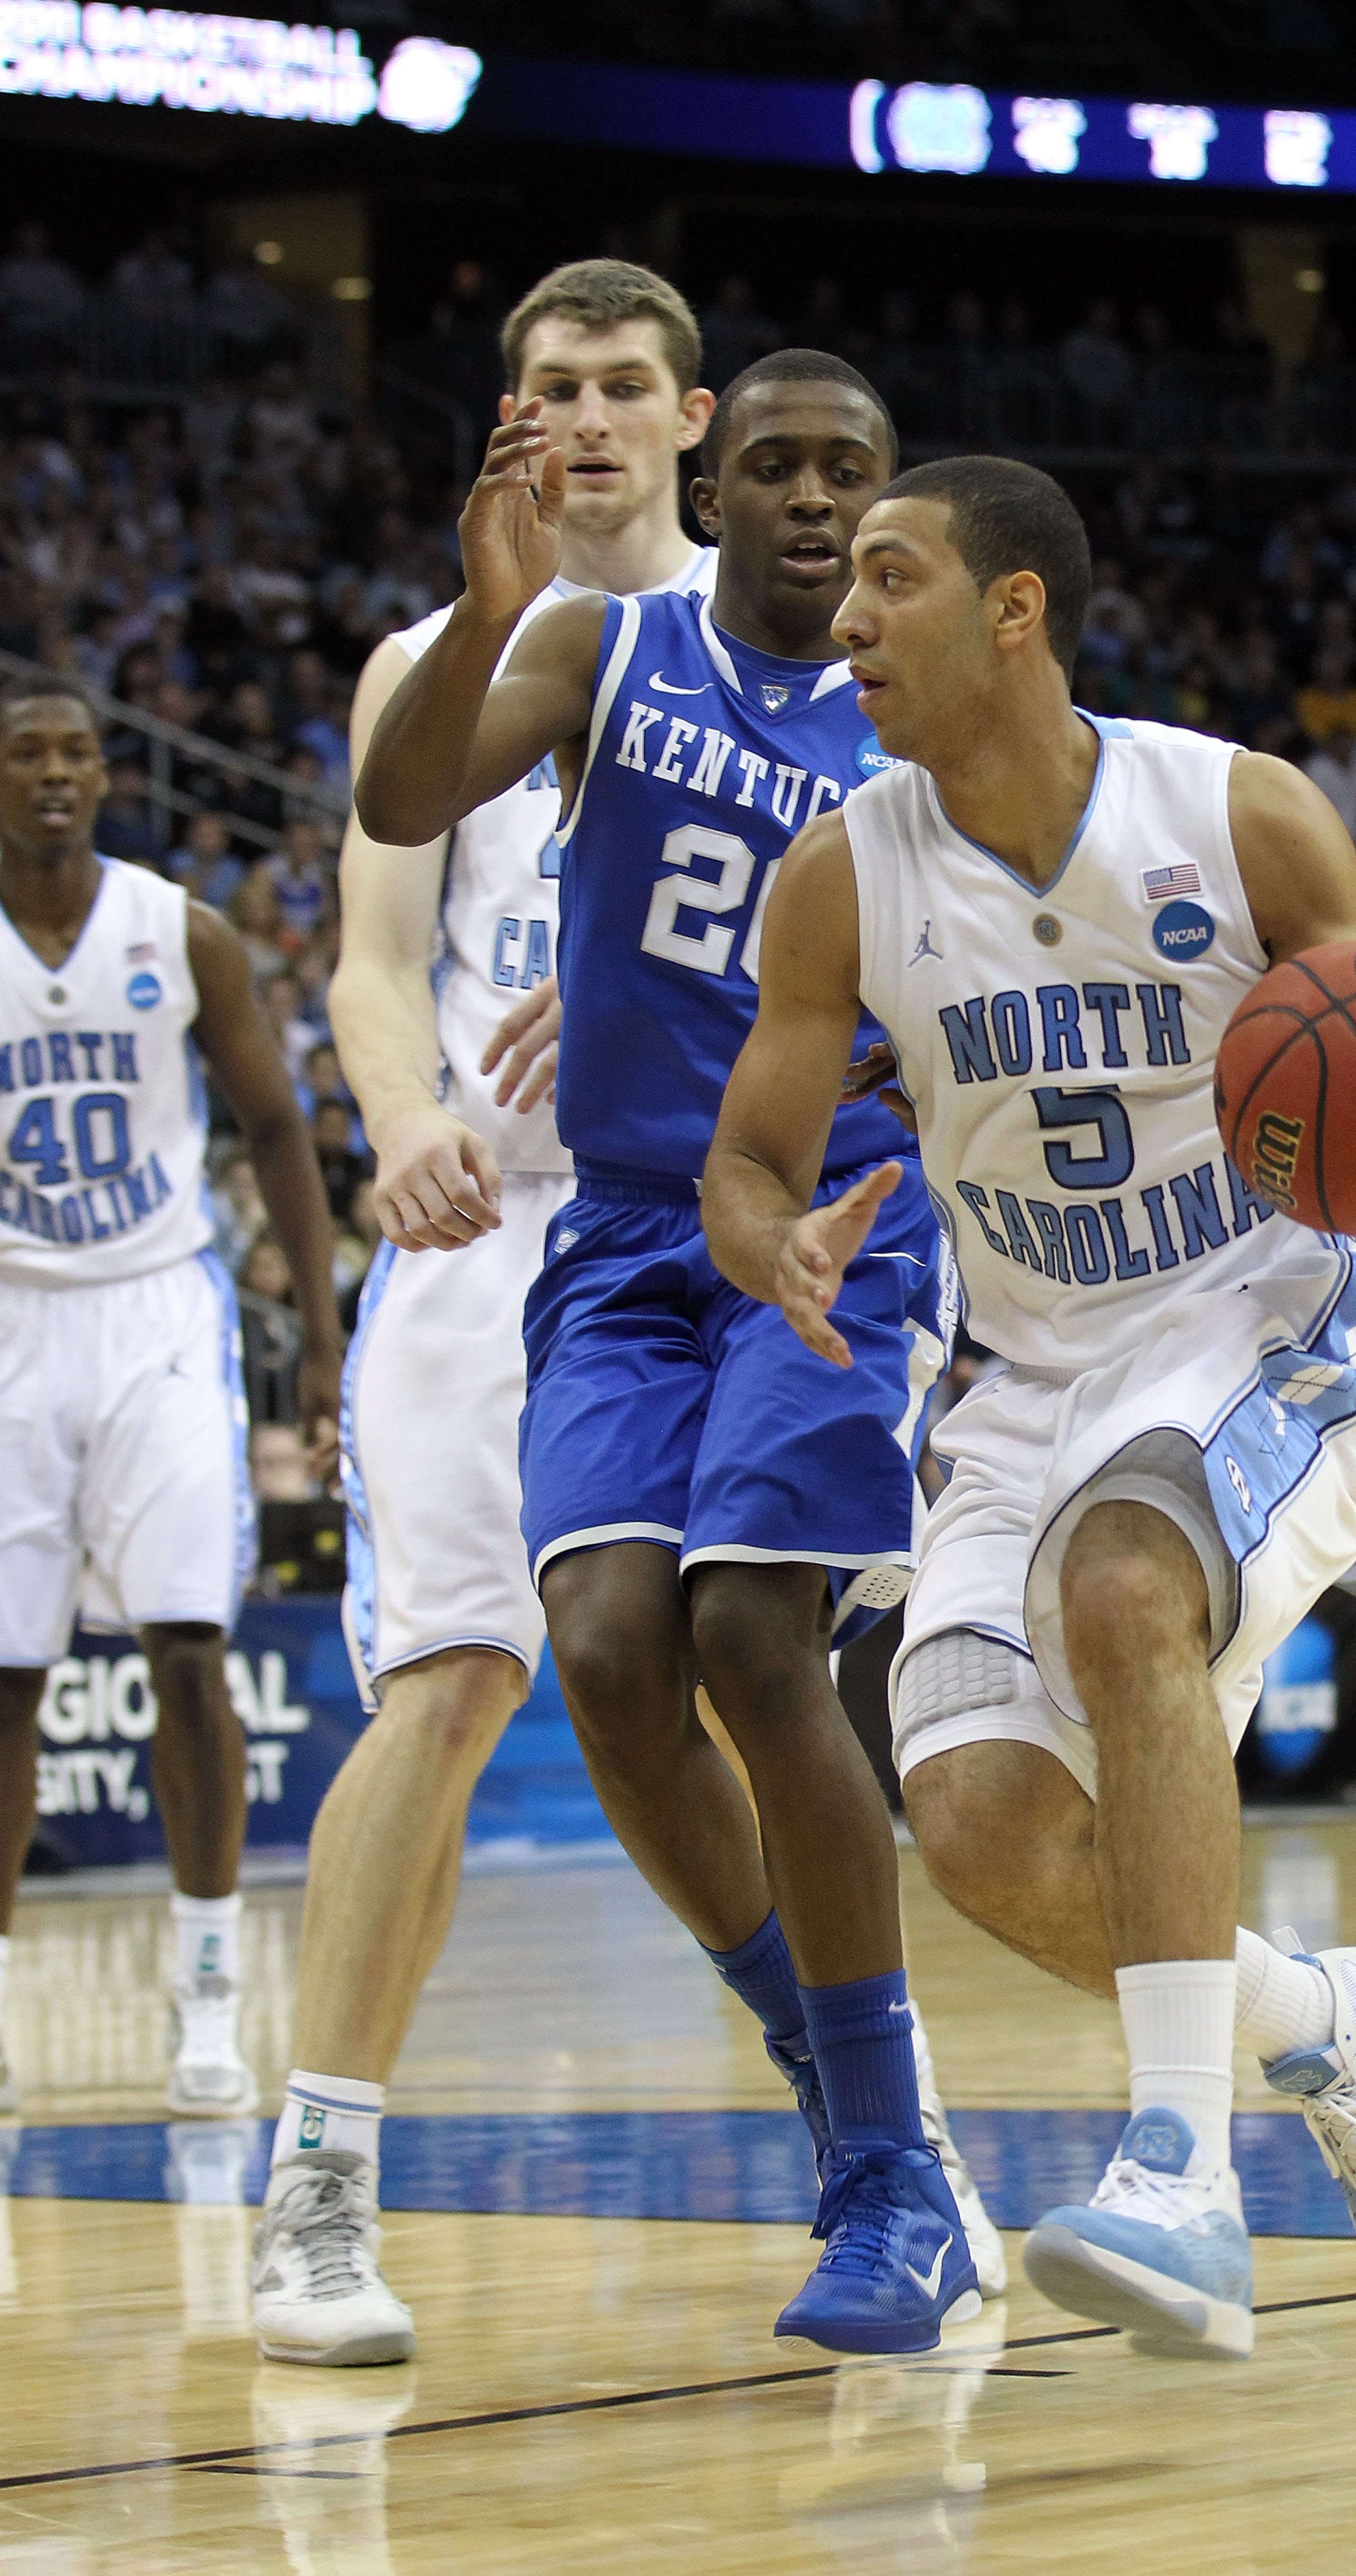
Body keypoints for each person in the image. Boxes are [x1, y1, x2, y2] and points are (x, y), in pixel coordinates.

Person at [700, 454, 1356, 2359]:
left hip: (1258, 1312)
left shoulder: (1234, 810)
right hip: (1021, 1372)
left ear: (1011, 609)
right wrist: (773, 1242)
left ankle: (1178, 2177)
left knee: (1124, 1588)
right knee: (981, 1833)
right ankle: (1319, 2025)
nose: (843, 618)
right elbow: (744, 1160)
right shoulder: (839, 874)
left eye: (888, 577)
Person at [257, 294, 995, 2366]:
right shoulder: (479, 651)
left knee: (753, 1642)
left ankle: (880, 2124)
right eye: (546, 390)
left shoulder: (842, 652)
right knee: (468, 1668)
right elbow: (375, 947)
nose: (580, 422)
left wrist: (758, 997)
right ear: (514, 421)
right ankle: (317, 2191)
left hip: (748, 1195)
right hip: (498, 1207)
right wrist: (402, 1121)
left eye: (617, 389)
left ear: (690, 422)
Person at [0, 679, 339, 2118]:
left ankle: (208, 2002)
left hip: (159, 1316)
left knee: (189, 1645)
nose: (58, 773)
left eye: (79, 752)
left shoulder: (176, 928)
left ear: (107, 775)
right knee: (5, 1683)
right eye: (30, 754)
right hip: (10, 1317)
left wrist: (320, 1330)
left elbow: (274, 1123)